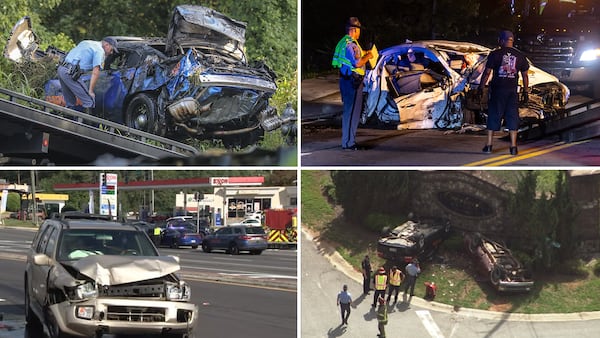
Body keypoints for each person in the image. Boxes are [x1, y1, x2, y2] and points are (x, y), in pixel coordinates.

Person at [478, 30, 529, 156]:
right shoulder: (520, 56)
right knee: (512, 117)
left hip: (498, 90)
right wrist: (526, 91)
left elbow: (487, 72)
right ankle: (513, 147)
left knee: (494, 115)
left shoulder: (495, 54)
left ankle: (489, 146)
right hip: (512, 91)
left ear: (501, 40)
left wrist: (481, 87)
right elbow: (525, 75)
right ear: (512, 40)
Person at [332, 17, 373, 150]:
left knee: (349, 112)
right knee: (352, 113)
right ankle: (348, 143)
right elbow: (357, 63)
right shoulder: (351, 44)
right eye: (359, 30)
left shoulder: (343, 42)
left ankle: (348, 142)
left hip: (346, 80)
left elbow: (350, 60)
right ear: (354, 30)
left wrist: (364, 54)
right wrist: (368, 56)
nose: (359, 33)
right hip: (352, 82)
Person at [57, 37, 118, 114]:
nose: (111, 53)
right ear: (106, 45)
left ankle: (66, 122)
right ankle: (84, 125)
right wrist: (91, 91)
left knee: (70, 102)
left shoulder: (87, 42)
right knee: (89, 101)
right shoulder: (99, 51)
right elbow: (96, 72)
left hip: (61, 69)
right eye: (112, 50)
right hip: (69, 73)